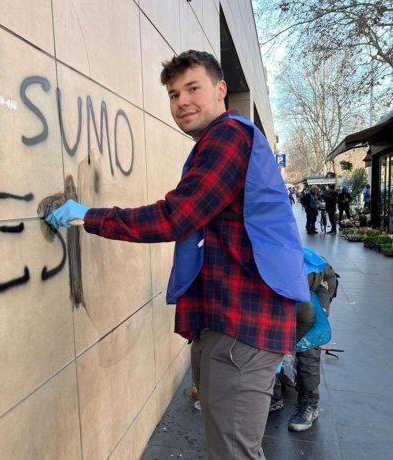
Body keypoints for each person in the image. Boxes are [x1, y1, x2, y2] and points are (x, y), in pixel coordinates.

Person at [45, 50, 310, 460]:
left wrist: (91, 216)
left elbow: (177, 216)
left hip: (241, 322)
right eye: (173, 94)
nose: (181, 101)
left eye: (192, 88)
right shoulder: (221, 140)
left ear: (221, 91)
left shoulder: (229, 136)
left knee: (234, 452)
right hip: (230, 320)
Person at [269, 248, 339, 431]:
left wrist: (287, 348)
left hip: (319, 283)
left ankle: (309, 403)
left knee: (308, 343)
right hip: (288, 287)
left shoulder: (285, 278)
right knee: (268, 340)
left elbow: (307, 317)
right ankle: (272, 397)